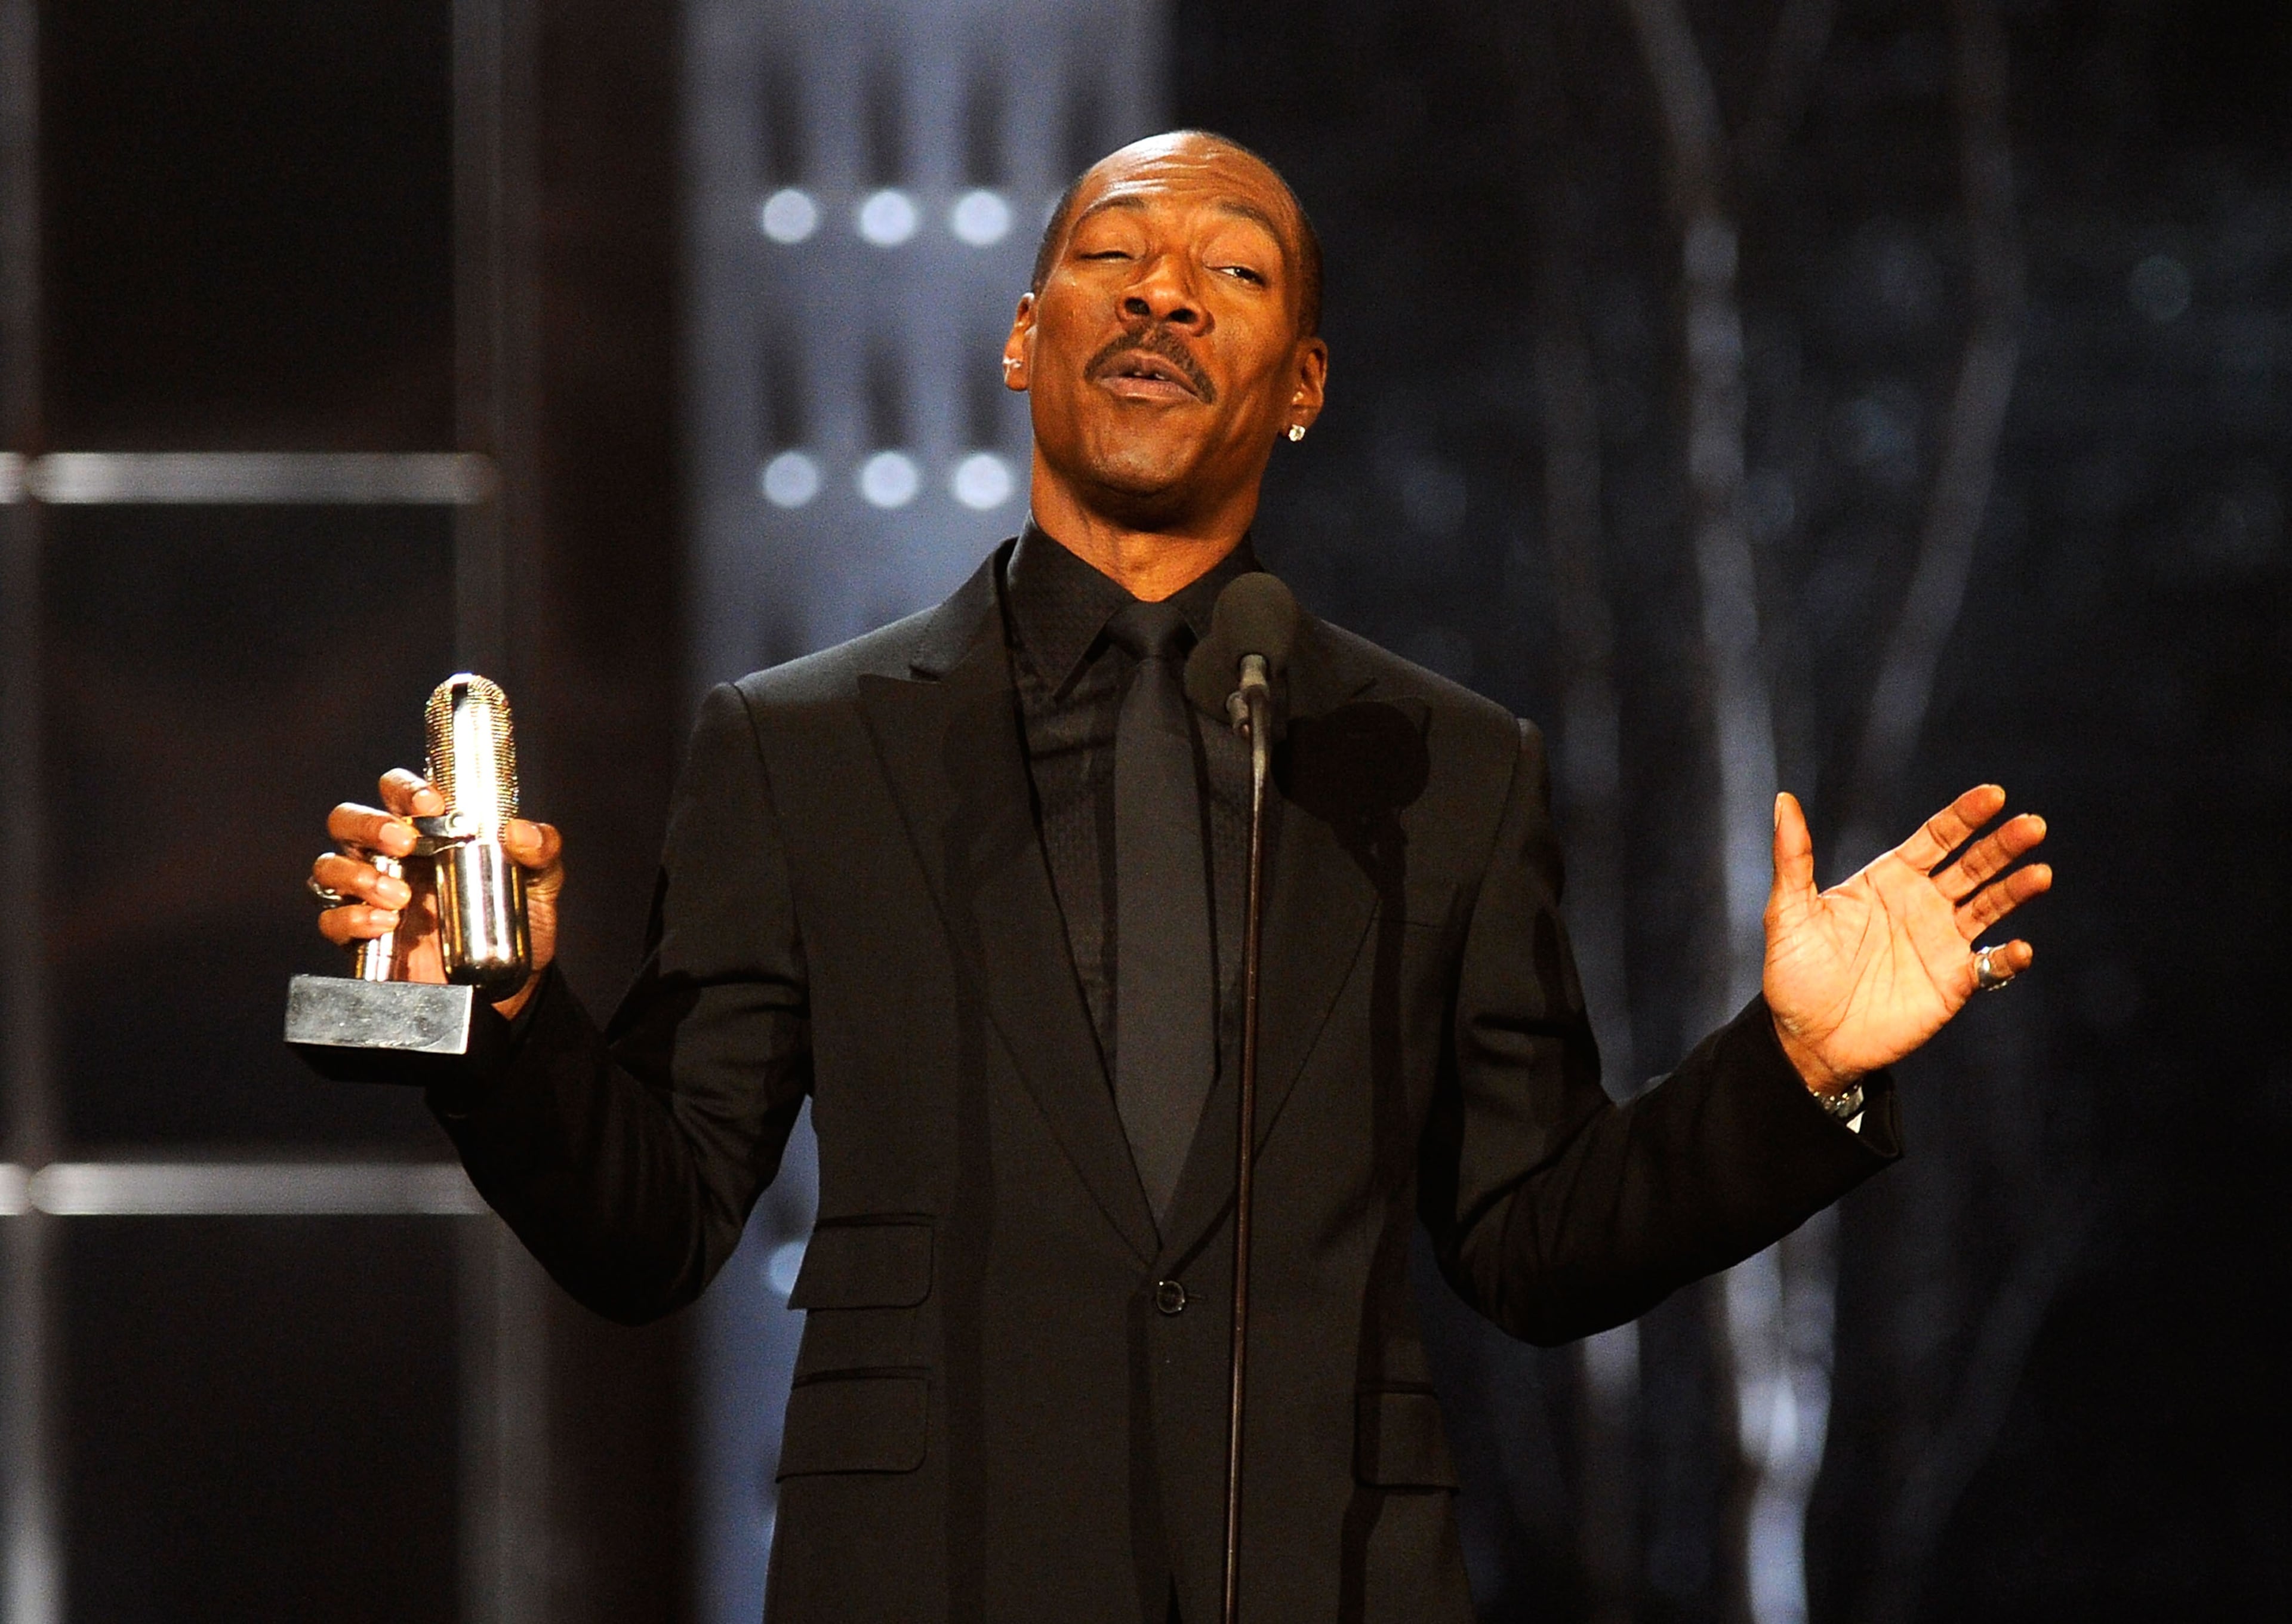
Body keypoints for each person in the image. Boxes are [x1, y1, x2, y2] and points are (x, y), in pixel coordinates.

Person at [307, 132, 2050, 1624]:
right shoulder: (801, 746)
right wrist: (502, 1011)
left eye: (1232, 271)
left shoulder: (1444, 765)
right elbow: (654, 1218)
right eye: (1112, 255)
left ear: (1300, 385)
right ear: (1022, 337)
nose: (1161, 294)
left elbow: (1535, 1241)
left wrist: (1797, 1070)